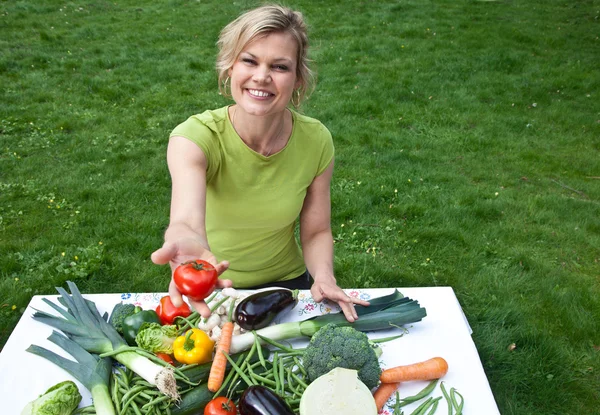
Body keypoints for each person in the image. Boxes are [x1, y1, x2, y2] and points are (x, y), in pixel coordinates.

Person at [151, 4, 368, 322]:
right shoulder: (194, 137)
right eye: (249, 61)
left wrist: (323, 277)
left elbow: (316, 229)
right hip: (212, 289)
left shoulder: (316, 140)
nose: (262, 77)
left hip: (287, 289)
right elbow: (186, 220)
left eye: (280, 67)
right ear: (229, 68)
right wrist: (185, 242)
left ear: (297, 79)